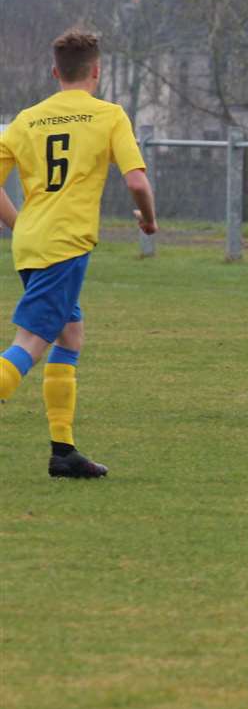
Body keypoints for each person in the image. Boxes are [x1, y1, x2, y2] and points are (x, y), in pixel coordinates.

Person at [0, 29, 157, 478]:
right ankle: (63, 450)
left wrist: (20, 225)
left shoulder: (27, 119)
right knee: (30, 343)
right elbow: (137, 182)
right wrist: (147, 220)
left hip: (32, 244)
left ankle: (63, 452)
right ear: (97, 71)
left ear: (55, 73)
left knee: (70, 336)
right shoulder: (108, 116)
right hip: (64, 246)